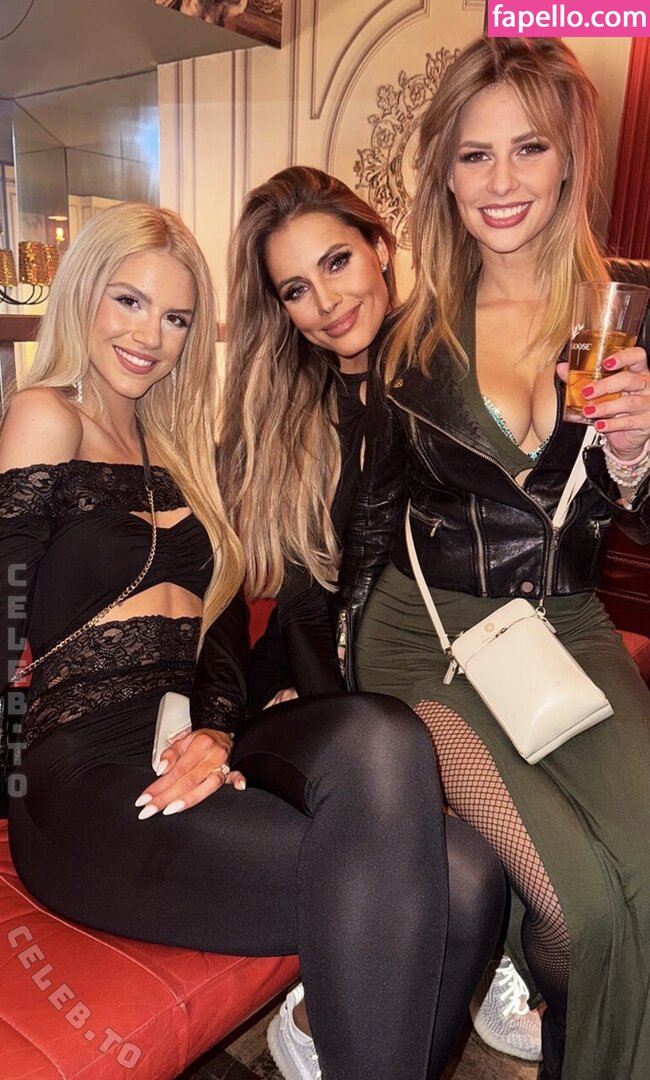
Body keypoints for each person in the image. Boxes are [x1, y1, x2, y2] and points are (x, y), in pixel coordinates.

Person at [0, 201, 504, 1080]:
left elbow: (220, 625)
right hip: (80, 781)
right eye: (128, 301)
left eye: (176, 317)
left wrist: (215, 727)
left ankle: (314, 1033)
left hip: (171, 739)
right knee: (449, 887)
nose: (149, 337)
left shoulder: (178, 445)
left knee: (444, 831)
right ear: (82, 294)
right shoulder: (48, 415)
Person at [341, 35, 650, 1080]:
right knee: (572, 904)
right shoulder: (407, 335)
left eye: (529, 147)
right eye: (474, 155)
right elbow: (365, 523)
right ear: (445, 173)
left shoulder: (627, 313)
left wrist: (639, 456)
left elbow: (635, 518)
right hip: (425, 640)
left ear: (569, 159)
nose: (502, 181)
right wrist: (331, 693)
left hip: (563, 625)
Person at [219, 166, 510, 1079]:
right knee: (404, 764)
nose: (325, 303)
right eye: (294, 289)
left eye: (337, 262)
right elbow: (279, 599)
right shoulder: (284, 413)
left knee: (473, 872)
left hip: (421, 672)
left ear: (381, 248)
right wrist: (249, 711)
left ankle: (322, 1022)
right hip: (310, 697)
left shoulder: (442, 381)